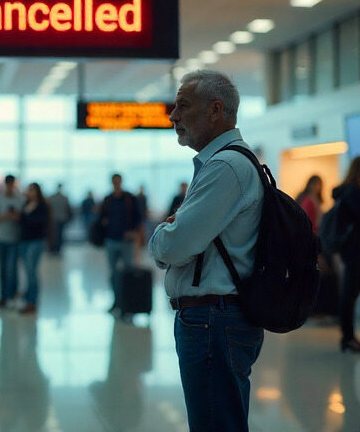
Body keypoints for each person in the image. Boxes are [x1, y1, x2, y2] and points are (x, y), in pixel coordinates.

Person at [148, 70, 264, 431]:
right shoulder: (224, 163)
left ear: (216, 110)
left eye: (183, 106)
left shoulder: (226, 167)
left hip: (214, 320)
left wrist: (162, 234)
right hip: (216, 317)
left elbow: (175, 245)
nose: (173, 116)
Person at [331, 157, 360, 353]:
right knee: (350, 293)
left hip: (350, 248)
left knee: (349, 292)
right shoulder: (355, 192)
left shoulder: (347, 191)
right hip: (355, 248)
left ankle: (348, 337)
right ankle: (348, 338)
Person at [98, 173, 142, 313]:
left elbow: (139, 216)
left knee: (128, 272)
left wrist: (133, 231)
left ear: (121, 182)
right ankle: (116, 302)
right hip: (111, 239)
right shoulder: (108, 199)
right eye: (114, 182)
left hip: (126, 241)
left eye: (118, 181)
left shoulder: (129, 198)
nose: (116, 184)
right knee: (113, 274)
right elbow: (102, 217)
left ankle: (128, 303)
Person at [298, 175, 336, 320]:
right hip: (313, 243)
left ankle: (317, 309)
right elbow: (308, 224)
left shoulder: (313, 200)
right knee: (321, 275)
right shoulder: (309, 201)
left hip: (316, 242)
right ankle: (316, 310)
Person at [0, 175, 24, 307]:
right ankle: (3, 297)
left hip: (15, 239)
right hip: (1, 238)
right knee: (2, 269)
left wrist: (16, 217)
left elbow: (24, 217)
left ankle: (12, 295)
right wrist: (5, 216)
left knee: (12, 269)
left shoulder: (20, 198)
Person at [20, 183, 49, 315]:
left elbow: (39, 222)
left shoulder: (42, 206)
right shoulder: (25, 205)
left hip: (36, 241)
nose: (30, 192)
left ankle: (32, 301)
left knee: (32, 271)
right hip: (24, 240)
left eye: (32, 190)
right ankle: (28, 298)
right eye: (29, 190)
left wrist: (25, 219)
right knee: (27, 270)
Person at [48, 184, 71, 255]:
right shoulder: (64, 198)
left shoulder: (52, 197)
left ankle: (53, 249)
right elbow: (68, 209)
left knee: (55, 234)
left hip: (54, 219)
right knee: (59, 235)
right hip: (61, 218)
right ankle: (57, 249)